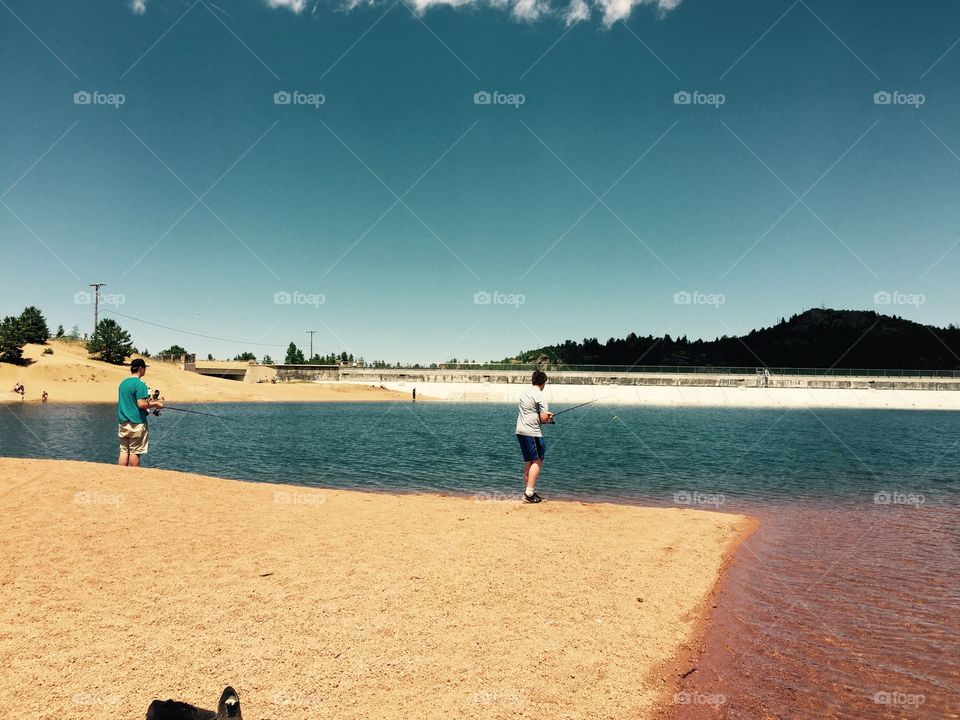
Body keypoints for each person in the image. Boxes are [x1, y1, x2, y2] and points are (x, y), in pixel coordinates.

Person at [515, 370, 555, 504]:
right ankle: (529, 493)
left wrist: (542, 415)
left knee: (529, 461)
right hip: (532, 432)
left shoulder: (524, 392)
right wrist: (548, 417)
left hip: (520, 430)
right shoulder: (541, 395)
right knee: (538, 460)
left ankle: (528, 490)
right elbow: (543, 418)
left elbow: (531, 410)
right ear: (543, 382)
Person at [117, 358, 163, 467]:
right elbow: (141, 404)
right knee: (135, 452)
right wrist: (157, 404)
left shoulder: (123, 383)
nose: (145, 370)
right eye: (145, 368)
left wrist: (151, 402)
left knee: (124, 451)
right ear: (140, 368)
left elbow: (131, 401)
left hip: (123, 422)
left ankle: (119, 476)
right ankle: (134, 478)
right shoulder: (140, 384)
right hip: (137, 423)